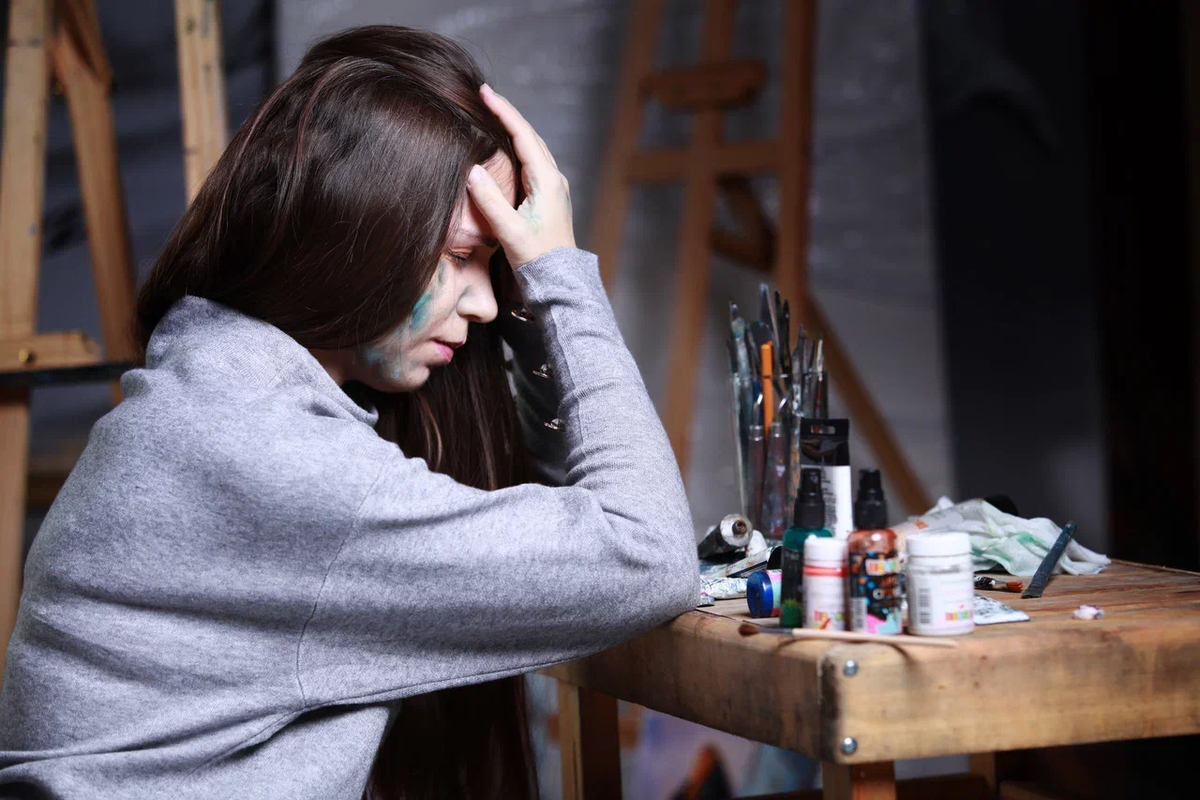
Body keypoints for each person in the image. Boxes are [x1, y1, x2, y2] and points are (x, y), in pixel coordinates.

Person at [0, 26, 699, 800]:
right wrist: (558, 272)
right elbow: (646, 557)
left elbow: (568, 516)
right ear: (356, 227)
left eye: (498, 265)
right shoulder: (276, 455)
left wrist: (529, 301)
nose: (488, 303)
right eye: (461, 256)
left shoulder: (214, 392)